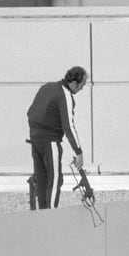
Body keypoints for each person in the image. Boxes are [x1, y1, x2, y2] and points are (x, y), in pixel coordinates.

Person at [26, 66, 87, 209]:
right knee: (55, 180)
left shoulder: (46, 87)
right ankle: (52, 216)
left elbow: (30, 112)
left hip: (34, 139)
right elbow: (69, 127)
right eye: (82, 85)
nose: (82, 89)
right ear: (74, 83)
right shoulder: (64, 94)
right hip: (50, 142)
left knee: (42, 180)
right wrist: (78, 152)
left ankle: (41, 216)